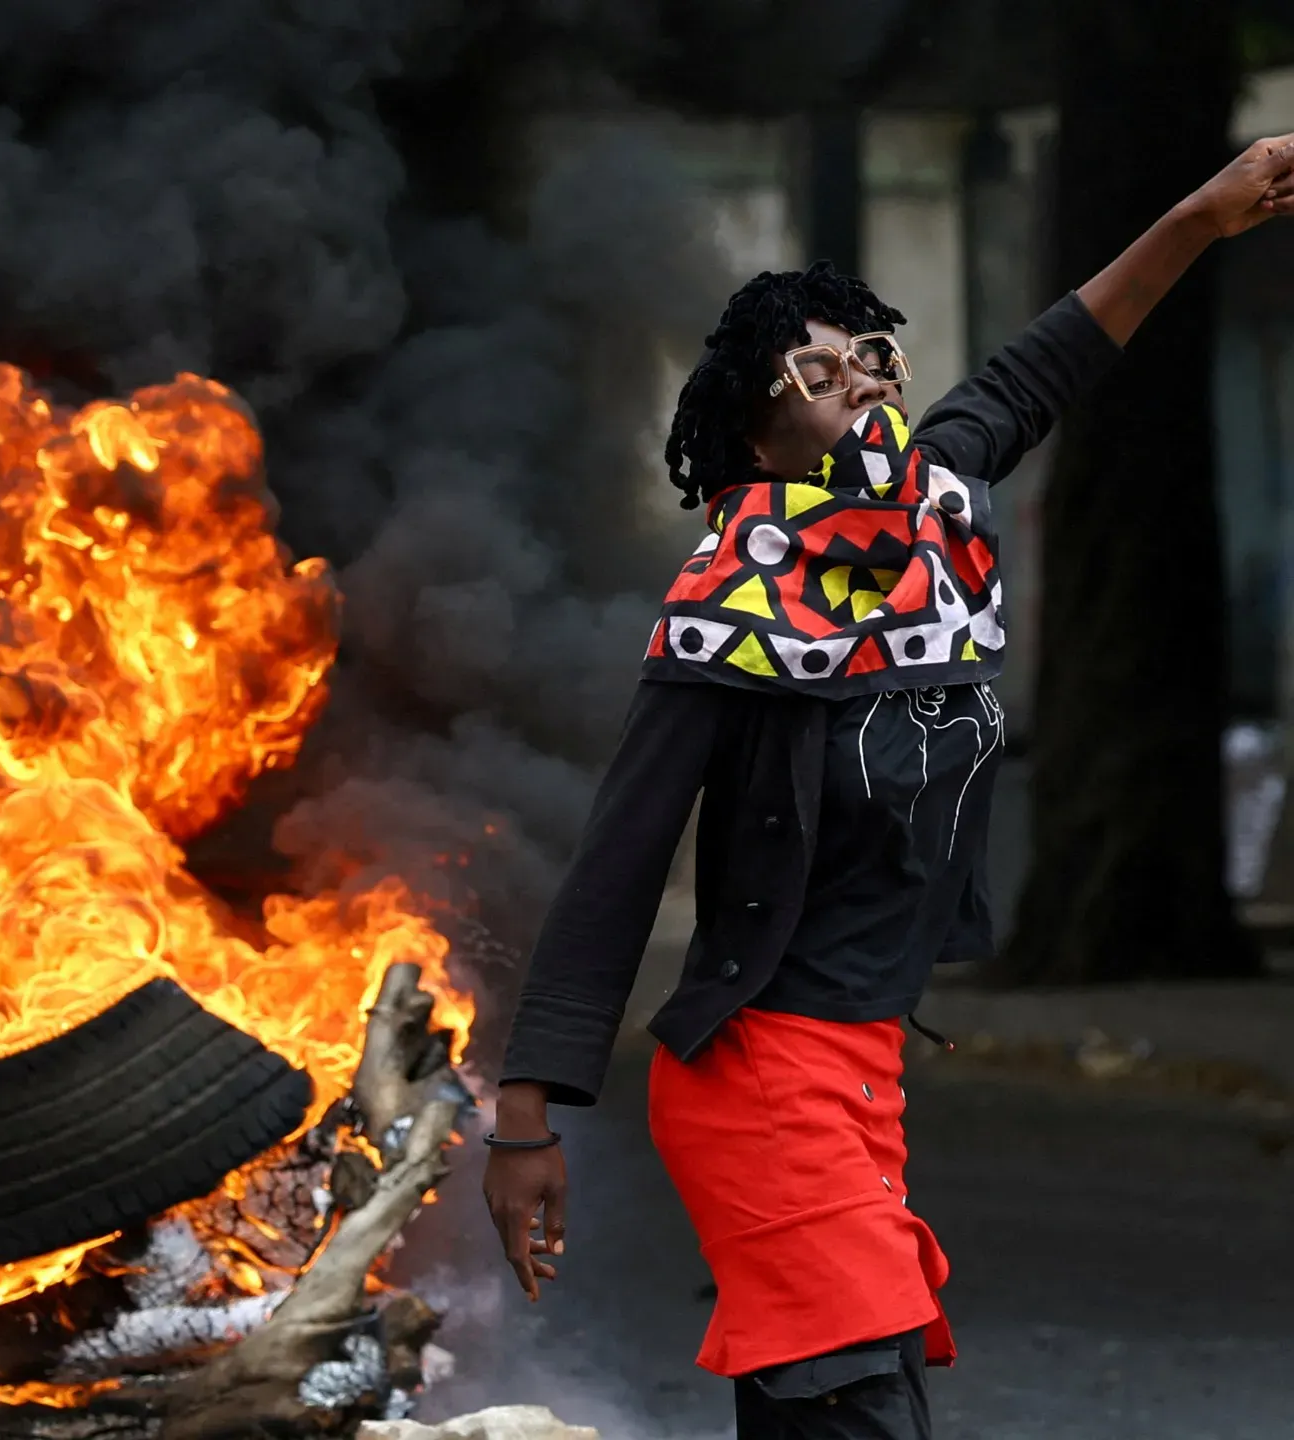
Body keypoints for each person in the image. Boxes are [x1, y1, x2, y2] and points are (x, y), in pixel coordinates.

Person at [481, 133, 1294, 1440]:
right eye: (820, 369)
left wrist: (1200, 216)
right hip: (758, 1075)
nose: (860, 381)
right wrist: (525, 1118)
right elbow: (618, 867)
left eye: (875, 359)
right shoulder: (726, 608)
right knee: (861, 1407)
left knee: (820, 1409)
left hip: (865, 1074)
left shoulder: (940, 512)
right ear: (757, 422)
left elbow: (1059, 355)